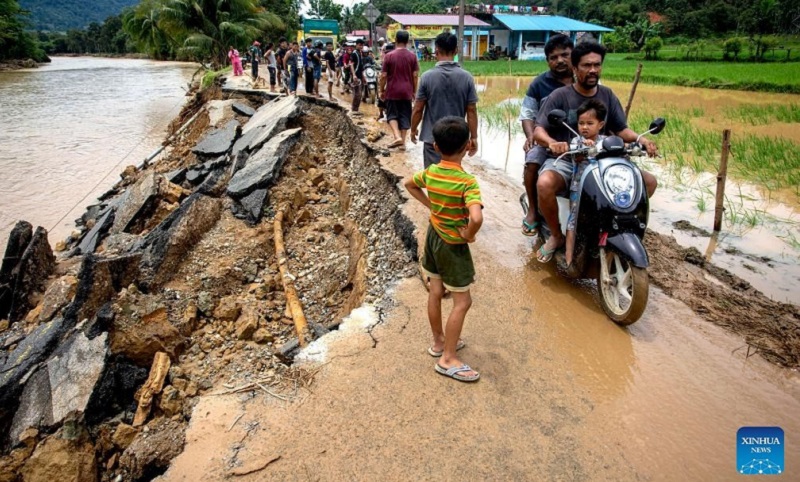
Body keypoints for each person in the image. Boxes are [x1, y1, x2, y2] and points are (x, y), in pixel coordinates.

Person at [533, 41, 658, 263]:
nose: (593, 70)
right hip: (568, 159)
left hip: (602, 160)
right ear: (575, 68)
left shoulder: (607, 95)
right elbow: (538, 130)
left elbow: (621, 129)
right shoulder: (560, 96)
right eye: (586, 65)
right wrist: (553, 143)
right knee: (544, 183)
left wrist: (642, 139)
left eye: (597, 65)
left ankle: (616, 226)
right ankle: (556, 235)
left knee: (647, 182)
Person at [404, 116, 483, 383]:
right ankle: (448, 359)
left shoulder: (431, 172)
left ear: (436, 146)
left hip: (433, 237)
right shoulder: (467, 182)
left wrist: (431, 206)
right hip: (452, 245)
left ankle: (439, 341)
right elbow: (476, 217)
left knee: (436, 291)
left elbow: (409, 184)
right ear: (468, 145)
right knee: (463, 302)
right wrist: (469, 235)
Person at [518, 34, 573, 237]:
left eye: (565, 55)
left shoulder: (584, 79)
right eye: (554, 57)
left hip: (579, 139)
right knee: (532, 161)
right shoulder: (539, 84)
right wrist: (531, 136)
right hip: (546, 138)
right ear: (548, 61)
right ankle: (533, 210)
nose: (560, 60)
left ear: (573, 55)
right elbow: (527, 114)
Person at [410, 32, 478, 168]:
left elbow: (418, 109)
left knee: (432, 174)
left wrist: (413, 129)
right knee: (452, 174)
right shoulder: (467, 78)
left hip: (432, 138)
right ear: (456, 51)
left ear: (436, 51)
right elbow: (471, 110)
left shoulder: (427, 77)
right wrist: (474, 137)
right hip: (457, 139)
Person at [565, 99, 607, 267]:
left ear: (600, 124)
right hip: (580, 188)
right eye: (581, 123)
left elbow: (618, 148)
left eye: (590, 123)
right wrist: (585, 146)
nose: (584, 127)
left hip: (601, 189)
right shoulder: (577, 141)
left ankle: (600, 251)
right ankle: (568, 258)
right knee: (573, 221)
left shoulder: (605, 141)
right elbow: (576, 156)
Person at [379, 30, 418, 150]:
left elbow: (383, 76)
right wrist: (414, 91)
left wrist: (381, 90)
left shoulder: (389, 56)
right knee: (405, 115)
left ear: (395, 40)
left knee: (392, 115)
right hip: (407, 91)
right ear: (407, 41)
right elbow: (415, 75)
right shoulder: (412, 56)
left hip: (392, 91)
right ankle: (403, 144)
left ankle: (397, 136)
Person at [348, 39, 365, 115]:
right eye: (360, 45)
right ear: (356, 45)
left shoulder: (359, 53)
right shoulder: (354, 53)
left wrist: (363, 77)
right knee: (357, 93)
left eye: (362, 45)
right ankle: (354, 109)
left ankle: (356, 109)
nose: (361, 46)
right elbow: (351, 64)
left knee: (359, 94)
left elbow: (361, 66)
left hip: (359, 76)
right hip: (355, 76)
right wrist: (354, 75)